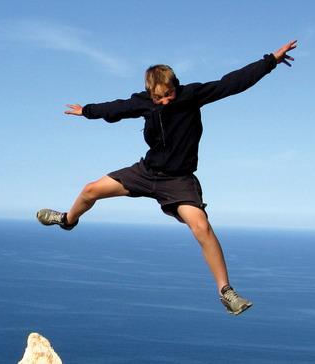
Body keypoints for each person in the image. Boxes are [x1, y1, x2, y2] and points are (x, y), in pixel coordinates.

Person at [37, 40, 297, 316]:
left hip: (179, 180)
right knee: (90, 190)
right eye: (160, 97)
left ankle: (226, 291)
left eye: (169, 93)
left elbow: (231, 83)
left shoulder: (191, 95)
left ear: (176, 85)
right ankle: (67, 220)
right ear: (151, 93)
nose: (166, 100)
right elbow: (117, 108)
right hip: (146, 172)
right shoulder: (144, 102)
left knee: (201, 227)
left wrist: (270, 61)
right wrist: (86, 111)